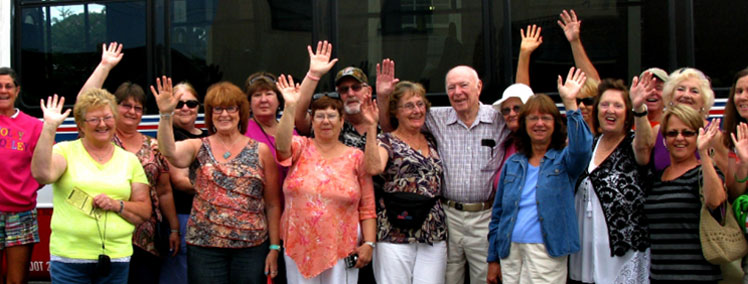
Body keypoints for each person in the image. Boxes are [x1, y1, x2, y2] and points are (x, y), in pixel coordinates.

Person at [152, 78, 282, 283]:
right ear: (210, 115)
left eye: (230, 108)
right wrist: (166, 114)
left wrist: (274, 247)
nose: (224, 114)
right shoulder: (197, 146)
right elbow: (169, 152)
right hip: (205, 249)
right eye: (217, 109)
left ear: (240, 113)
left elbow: (273, 204)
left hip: (251, 248)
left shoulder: (261, 150)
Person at [78, 42, 178, 283]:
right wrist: (104, 66)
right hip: (104, 237)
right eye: (125, 105)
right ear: (113, 108)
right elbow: (83, 103)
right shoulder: (100, 138)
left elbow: (164, 191)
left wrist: (174, 229)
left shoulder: (154, 145)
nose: (132, 111)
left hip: (147, 239)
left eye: (138, 107)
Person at [31, 91, 151, 283]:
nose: (102, 124)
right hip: (69, 259)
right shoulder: (65, 150)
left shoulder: (130, 161)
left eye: (107, 117)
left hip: (116, 257)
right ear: (80, 124)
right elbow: (42, 174)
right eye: (94, 119)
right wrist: (49, 128)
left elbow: (144, 210)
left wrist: (116, 204)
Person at [487, 67, 593, 284]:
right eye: (533, 118)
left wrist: (571, 104)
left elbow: (582, 149)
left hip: (546, 251)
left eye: (546, 118)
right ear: (525, 125)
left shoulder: (564, 161)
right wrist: (493, 259)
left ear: (555, 124)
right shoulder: (513, 164)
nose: (539, 124)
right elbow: (498, 215)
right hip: (510, 251)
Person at [275, 75, 376, 283]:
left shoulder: (356, 156)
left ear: (341, 122)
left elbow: (367, 207)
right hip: (298, 245)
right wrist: (290, 106)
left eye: (331, 116)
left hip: (342, 247)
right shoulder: (300, 147)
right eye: (320, 116)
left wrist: (369, 243)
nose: (326, 121)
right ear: (312, 121)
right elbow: (281, 147)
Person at [569, 75, 656, 283]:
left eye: (618, 105)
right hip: (585, 250)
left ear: (627, 114)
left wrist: (639, 108)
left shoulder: (633, 142)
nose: (610, 110)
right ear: (597, 111)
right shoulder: (589, 145)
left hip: (621, 252)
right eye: (605, 104)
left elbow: (645, 149)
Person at [363, 81, 447, 283]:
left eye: (420, 104)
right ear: (396, 112)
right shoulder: (386, 141)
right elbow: (374, 168)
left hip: (432, 232)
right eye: (409, 106)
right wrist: (371, 127)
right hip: (395, 231)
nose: (416, 110)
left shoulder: (431, 139)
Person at [644, 104, 725, 282]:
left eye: (687, 133)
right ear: (664, 139)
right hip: (659, 276)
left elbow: (716, 201)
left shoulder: (704, 172)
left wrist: (703, 153)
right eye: (672, 133)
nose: (679, 138)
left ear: (698, 136)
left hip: (698, 276)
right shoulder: (655, 178)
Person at [160, 82, 208, 284]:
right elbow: (180, 181)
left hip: (211, 219)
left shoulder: (209, 135)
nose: (186, 108)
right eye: (178, 104)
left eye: (191, 103)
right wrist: (223, 188)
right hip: (183, 217)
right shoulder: (169, 136)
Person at [0, 67, 43, 284]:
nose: (3, 91)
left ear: (17, 91)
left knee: (17, 280)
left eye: (8, 86)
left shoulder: (34, 126)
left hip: (21, 211)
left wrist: (28, 187)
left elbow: (46, 166)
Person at [653, 67, 727, 173]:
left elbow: (727, 179)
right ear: (670, 96)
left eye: (694, 91)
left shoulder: (714, 135)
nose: (686, 95)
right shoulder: (657, 131)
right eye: (680, 89)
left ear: (703, 101)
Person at [722, 67, 748, 284]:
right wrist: (744, 164)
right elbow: (734, 192)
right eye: (739, 91)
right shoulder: (731, 135)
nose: (743, 97)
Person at [491, 83, 533, 188]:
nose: (511, 114)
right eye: (506, 110)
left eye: (517, 108)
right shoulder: (507, 143)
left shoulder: (540, 143)